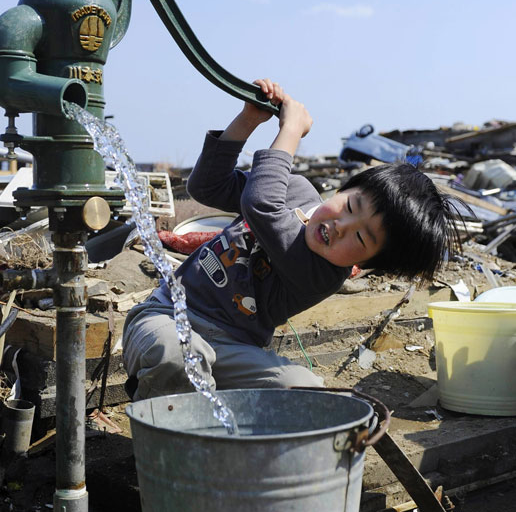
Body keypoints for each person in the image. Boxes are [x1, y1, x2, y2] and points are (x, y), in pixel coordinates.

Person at [123, 79, 464, 401]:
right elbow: (207, 186)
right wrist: (248, 120)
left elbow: (261, 206)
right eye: (349, 205)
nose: (341, 225)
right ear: (342, 189)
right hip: (168, 316)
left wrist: (290, 131)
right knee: (180, 356)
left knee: (303, 388)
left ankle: (228, 439)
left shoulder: (323, 274)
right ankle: (168, 437)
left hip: (235, 349)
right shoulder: (298, 191)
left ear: (363, 264)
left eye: (360, 236)